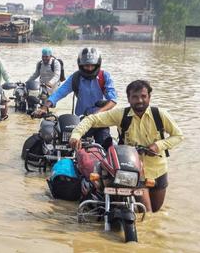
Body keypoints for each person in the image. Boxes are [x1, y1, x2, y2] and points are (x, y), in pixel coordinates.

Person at [69, 80, 183, 212]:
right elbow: (92, 119)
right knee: (147, 212)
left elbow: (178, 136)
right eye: (135, 97)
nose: (139, 100)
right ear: (129, 99)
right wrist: (76, 135)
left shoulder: (160, 114)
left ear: (149, 97)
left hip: (158, 170)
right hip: (132, 171)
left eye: (143, 96)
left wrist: (159, 145)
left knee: (156, 210)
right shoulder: (121, 115)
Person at [32, 47, 117, 145]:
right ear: (80, 65)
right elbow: (59, 93)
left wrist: (97, 113)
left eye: (92, 65)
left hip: (100, 120)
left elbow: (113, 100)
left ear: (98, 65)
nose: (89, 68)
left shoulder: (104, 76)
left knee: (105, 146)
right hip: (80, 121)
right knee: (67, 147)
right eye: (86, 65)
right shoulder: (76, 77)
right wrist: (44, 107)